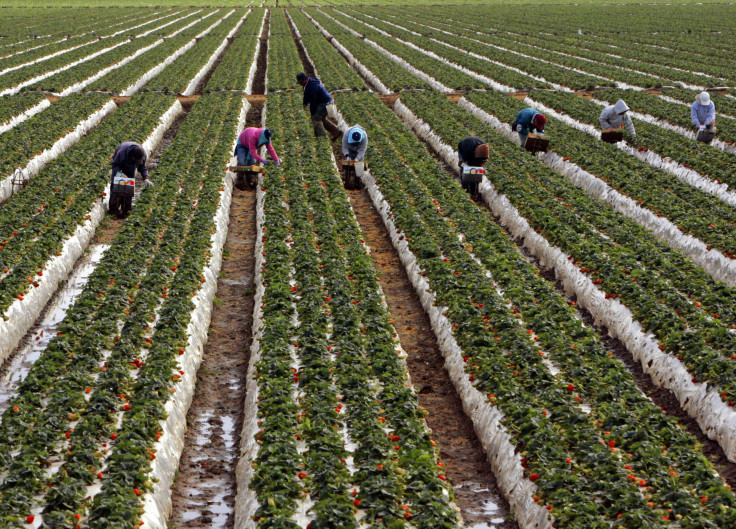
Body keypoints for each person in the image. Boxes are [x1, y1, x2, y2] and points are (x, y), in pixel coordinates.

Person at [109, 142, 151, 216]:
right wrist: (119, 175)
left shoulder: (142, 155)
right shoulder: (122, 153)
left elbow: (142, 167)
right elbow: (116, 165)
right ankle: (113, 209)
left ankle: (126, 209)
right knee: (116, 184)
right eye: (135, 159)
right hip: (120, 165)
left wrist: (146, 178)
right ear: (132, 155)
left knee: (129, 185)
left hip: (130, 168)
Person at [297, 72, 340, 141]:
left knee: (316, 118)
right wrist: (304, 103)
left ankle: (322, 139)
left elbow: (313, 101)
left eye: (301, 82)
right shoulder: (307, 85)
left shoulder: (312, 86)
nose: (301, 84)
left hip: (325, 103)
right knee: (322, 118)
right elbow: (306, 95)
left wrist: (312, 114)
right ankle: (336, 131)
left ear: (305, 79)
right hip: (324, 102)